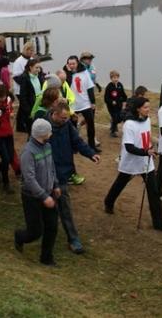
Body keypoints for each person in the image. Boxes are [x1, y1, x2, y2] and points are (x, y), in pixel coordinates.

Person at [103, 96, 162, 232]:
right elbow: (129, 147)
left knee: (154, 191)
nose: (148, 109)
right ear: (138, 109)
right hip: (131, 161)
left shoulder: (147, 120)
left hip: (146, 162)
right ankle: (108, 202)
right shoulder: (129, 124)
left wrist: (151, 149)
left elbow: (145, 138)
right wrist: (146, 152)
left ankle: (159, 223)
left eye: (149, 107)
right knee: (120, 183)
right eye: (145, 107)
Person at [47, 99, 100, 253]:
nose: (66, 120)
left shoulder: (67, 125)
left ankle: (73, 238)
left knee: (65, 207)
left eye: (67, 118)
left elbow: (77, 141)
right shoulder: (44, 126)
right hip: (46, 174)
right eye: (63, 118)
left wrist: (91, 154)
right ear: (54, 114)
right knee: (44, 205)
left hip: (62, 174)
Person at [14, 119, 61, 266]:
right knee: (35, 232)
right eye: (49, 131)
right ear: (42, 134)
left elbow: (51, 167)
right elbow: (29, 179)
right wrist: (43, 197)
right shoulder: (28, 153)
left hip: (48, 193)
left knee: (52, 226)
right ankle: (20, 237)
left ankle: (46, 258)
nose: (51, 133)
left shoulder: (48, 146)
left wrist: (55, 185)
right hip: (32, 197)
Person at [66, 55, 98, 150]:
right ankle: (74, 146)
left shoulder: (84, 72)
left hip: (85, 103)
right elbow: (67, 85)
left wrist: (93, 102)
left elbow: (89, 87)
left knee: (91, 126)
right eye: (70, 64)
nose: (72, 65)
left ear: (77, 63)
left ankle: (92, 145)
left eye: (73, 63)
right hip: (73, 105)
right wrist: (69, 72)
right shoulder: (66, 73)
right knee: (73, 127)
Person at [16, 58, 44, 133]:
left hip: (40, 107)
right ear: (30, 67)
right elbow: (23, 97)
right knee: (32, 132)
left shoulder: (39, 76)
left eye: (39, 68)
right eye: (36, 68)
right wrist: (28, 111)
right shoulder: (25, 78)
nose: (38, 70)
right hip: (31, 109)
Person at [104, 70, 127, 138]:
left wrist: (125, 101)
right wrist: (111, 102)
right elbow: (106, 98)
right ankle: (113, 132)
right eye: (114, 78)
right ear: (111, 78)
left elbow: (123, 94)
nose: (116, 79)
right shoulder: (109, 86)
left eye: (117, 77)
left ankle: (113, 124)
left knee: (119, 118)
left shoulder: (120, 85)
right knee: (115, 118)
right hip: (111, 106)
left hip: (119, 105)